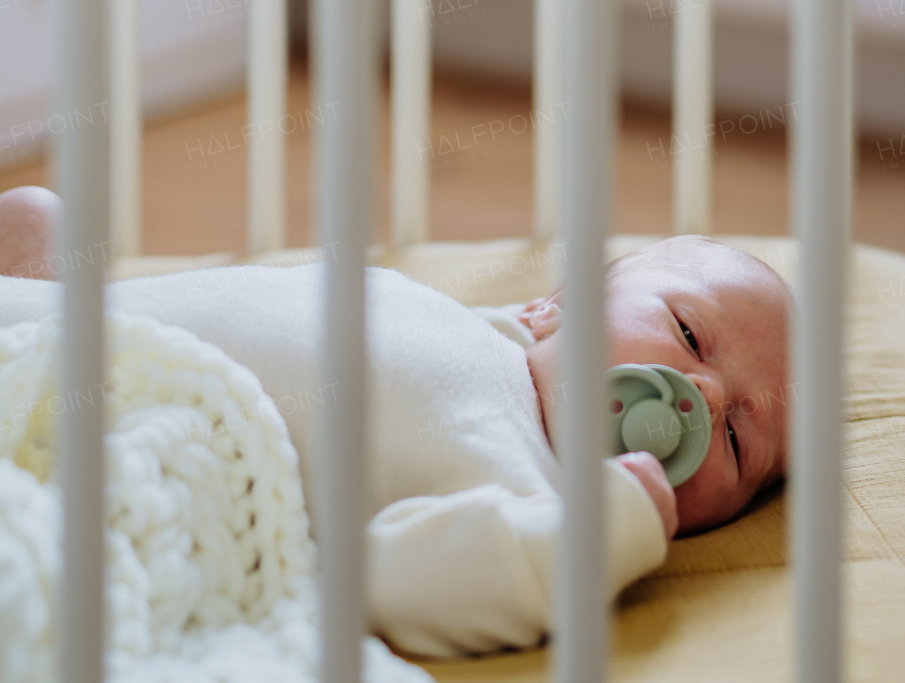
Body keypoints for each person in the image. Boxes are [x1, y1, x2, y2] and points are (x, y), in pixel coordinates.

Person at [0, 186, 790, 658]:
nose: (704, 398)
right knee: (37, 217)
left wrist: (606, 531)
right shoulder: (502, 335)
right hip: (84, 325)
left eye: (735, 442)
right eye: (689, 335)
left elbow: (394, 581)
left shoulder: (528, 503)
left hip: (113, 438)